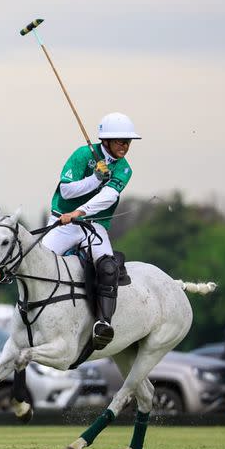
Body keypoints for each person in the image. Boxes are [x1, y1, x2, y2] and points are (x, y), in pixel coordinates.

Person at [41, 113, 141, 350]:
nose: (125, 147)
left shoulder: (124, 169)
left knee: (107, 267)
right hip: (63, 223)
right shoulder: (82, 155)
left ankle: (103, 324)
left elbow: (109, 198)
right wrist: (95, 179)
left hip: (94, 226)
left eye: (128, 142)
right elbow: (66, 192)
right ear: (106, 141)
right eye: (120, 142)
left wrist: (81, 212)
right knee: (38, 259)